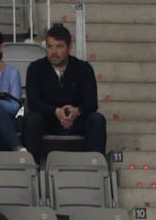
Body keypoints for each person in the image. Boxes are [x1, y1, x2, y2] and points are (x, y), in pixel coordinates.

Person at [22, 24, 107, 159]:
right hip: (48, 120)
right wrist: (55, 111)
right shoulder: (36, 68)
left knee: (97, 119)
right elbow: (34, 102)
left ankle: (95, 165)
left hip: (76, 120)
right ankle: (32, 166)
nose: (54, 52)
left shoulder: (84, 69)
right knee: (32, 119)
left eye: (59, 46)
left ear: (69, 48)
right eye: (50, 46)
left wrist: (77, 111)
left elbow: (91, 103)